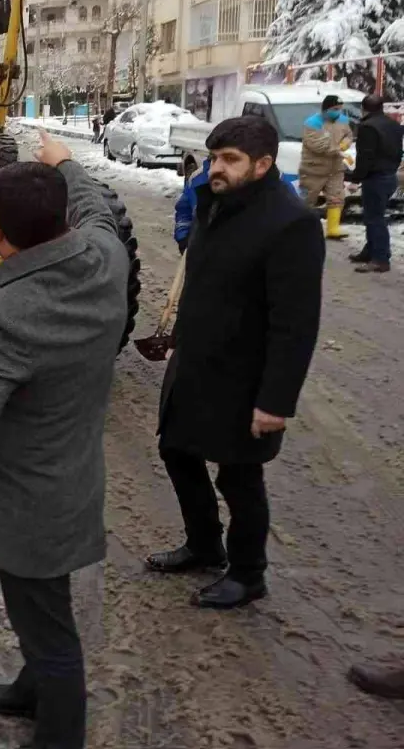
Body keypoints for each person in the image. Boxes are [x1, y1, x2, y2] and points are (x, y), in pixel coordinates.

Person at [0, 133, 129, 749]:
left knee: (50, 632)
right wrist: (66, 163)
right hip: (74, 478)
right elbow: (96, 207)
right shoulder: (104, 257)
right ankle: (29, 687)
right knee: (42, 612)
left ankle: (59, 734)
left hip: (26, 505)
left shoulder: (6, 316)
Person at [146, 116, 324, 609]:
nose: (215, 169)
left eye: (229, 160)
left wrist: (275, 401)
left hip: (245, 378)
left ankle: (248, 574)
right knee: (177, 451)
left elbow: (296, 325)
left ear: (264, 164)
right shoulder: (214, 204)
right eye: (213, 158)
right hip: (197, 361)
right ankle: (204, 546)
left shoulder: (292, 224)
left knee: (239, 477)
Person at [348, 94, 403, 274]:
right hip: (389, 176)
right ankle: (370, 251)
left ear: (364, 109)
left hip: (375, 178)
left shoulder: (367, 127)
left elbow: (366, 156)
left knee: (375, 218)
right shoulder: (394, 125)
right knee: (372, 216)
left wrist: (355, 179)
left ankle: (380, 259)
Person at [300, 94, 353, 240]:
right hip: (313, 169)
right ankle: (300, 228)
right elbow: (318, 146)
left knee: (336, 197)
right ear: (326, 108)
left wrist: (345, 144)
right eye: (335, 109)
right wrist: (340, 150)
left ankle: (333, 228)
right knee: (307, 200)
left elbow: (349, 135)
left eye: (340, 109)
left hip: (335, 169)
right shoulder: (312, 123)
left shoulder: (343, 120)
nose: (338, 112)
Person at [173, 158, 210, 253]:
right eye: (215, 157)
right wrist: (183, 238)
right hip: (198, 255)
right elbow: (184, 211)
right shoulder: (197, 179)